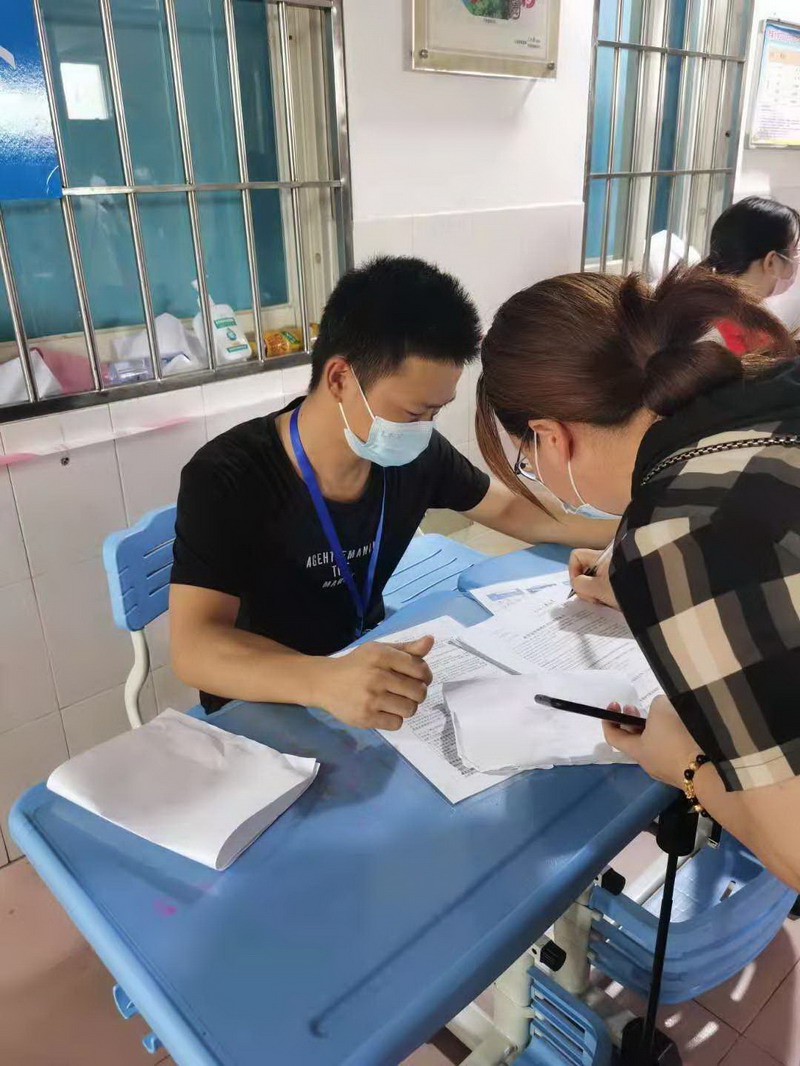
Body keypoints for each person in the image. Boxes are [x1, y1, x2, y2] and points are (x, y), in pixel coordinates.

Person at [170, 256, 613, 731]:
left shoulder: (412, 455)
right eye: (413, 413)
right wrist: (324, 680)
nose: (424, 429)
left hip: (365, 671)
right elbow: (195, 647)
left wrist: (638, 528)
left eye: (436, 412)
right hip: (264, 701)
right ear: (340, 379)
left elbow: (509, 508)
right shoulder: (228, 476)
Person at [476, 264, 800, 890]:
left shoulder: (680, 534)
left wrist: (682, 763)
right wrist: (638, 578)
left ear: (550, 436)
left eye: (526, 460)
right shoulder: (774, 391)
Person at [705, 196, 800, 354]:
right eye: (794, 252)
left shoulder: (716, 308)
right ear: (771, 261)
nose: (797, 260)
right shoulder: (723, 331)